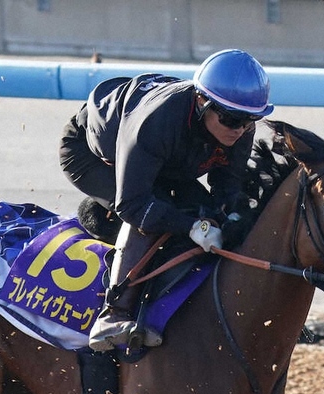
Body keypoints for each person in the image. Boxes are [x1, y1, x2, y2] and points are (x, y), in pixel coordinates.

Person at [59, 48, 274, 351]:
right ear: (202, 102)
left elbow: (228, 188)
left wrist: (232, 216)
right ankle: (114, 315)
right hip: (92, 155)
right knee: (157, 211)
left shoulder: (237, 128)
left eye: (249, 120)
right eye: (230, 119)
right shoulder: (157, 121)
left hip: (167, 160)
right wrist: (191, 227)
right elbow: (133, 204)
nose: (238, 129)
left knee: (209, 213)